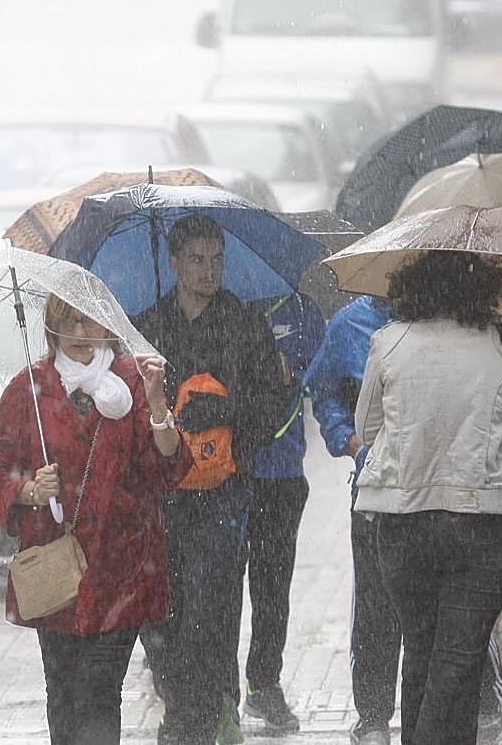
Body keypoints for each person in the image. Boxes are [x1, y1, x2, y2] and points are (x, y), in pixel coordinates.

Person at [306, 293, 502, 745]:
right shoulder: (353, 325)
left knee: (449, 616)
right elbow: (325, 393)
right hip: (382, 494)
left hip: (447, 496)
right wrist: (354, 445)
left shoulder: (456, 320)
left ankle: (475, 705)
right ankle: (376, 716)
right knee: (378, 609)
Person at [353, 252, 502, 745]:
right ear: (485, 288)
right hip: (485, 521)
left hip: (403, 521)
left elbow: (367, 427)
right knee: (459, 657)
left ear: (412, 286)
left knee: (421, 649)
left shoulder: (388, 341)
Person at [0, 294, 191, 745]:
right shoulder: (28, 389)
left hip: (125, 568)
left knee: (99, 691)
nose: (81, 334)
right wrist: (28, 489)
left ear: (108, 328)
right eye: (70, 322)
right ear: (52, 328)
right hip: (57, 572)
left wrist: (158, 407)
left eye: (91, 322)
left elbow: (167, 470)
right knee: (62, 693)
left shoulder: (132, 382)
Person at [133, 213, 293, 745]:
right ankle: (183, 699)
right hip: (162, 494)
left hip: (224, 492)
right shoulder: (147, 326)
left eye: (216, 259)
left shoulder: (245, 323)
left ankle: (198, 716)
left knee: (211, 605)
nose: (208, 270)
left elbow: (274, 402)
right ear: (173, 262)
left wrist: (226, 412)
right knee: (162, 612)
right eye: (196, 259)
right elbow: (130, 411)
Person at [226, 291, 325, 735]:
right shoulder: (226, 307)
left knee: (271, 590)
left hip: (283, 474)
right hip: (227, 474)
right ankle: (220, 693)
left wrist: (293, 373)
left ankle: (264, 684)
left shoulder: (303, 311)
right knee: (221, 591)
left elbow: (324, 377)